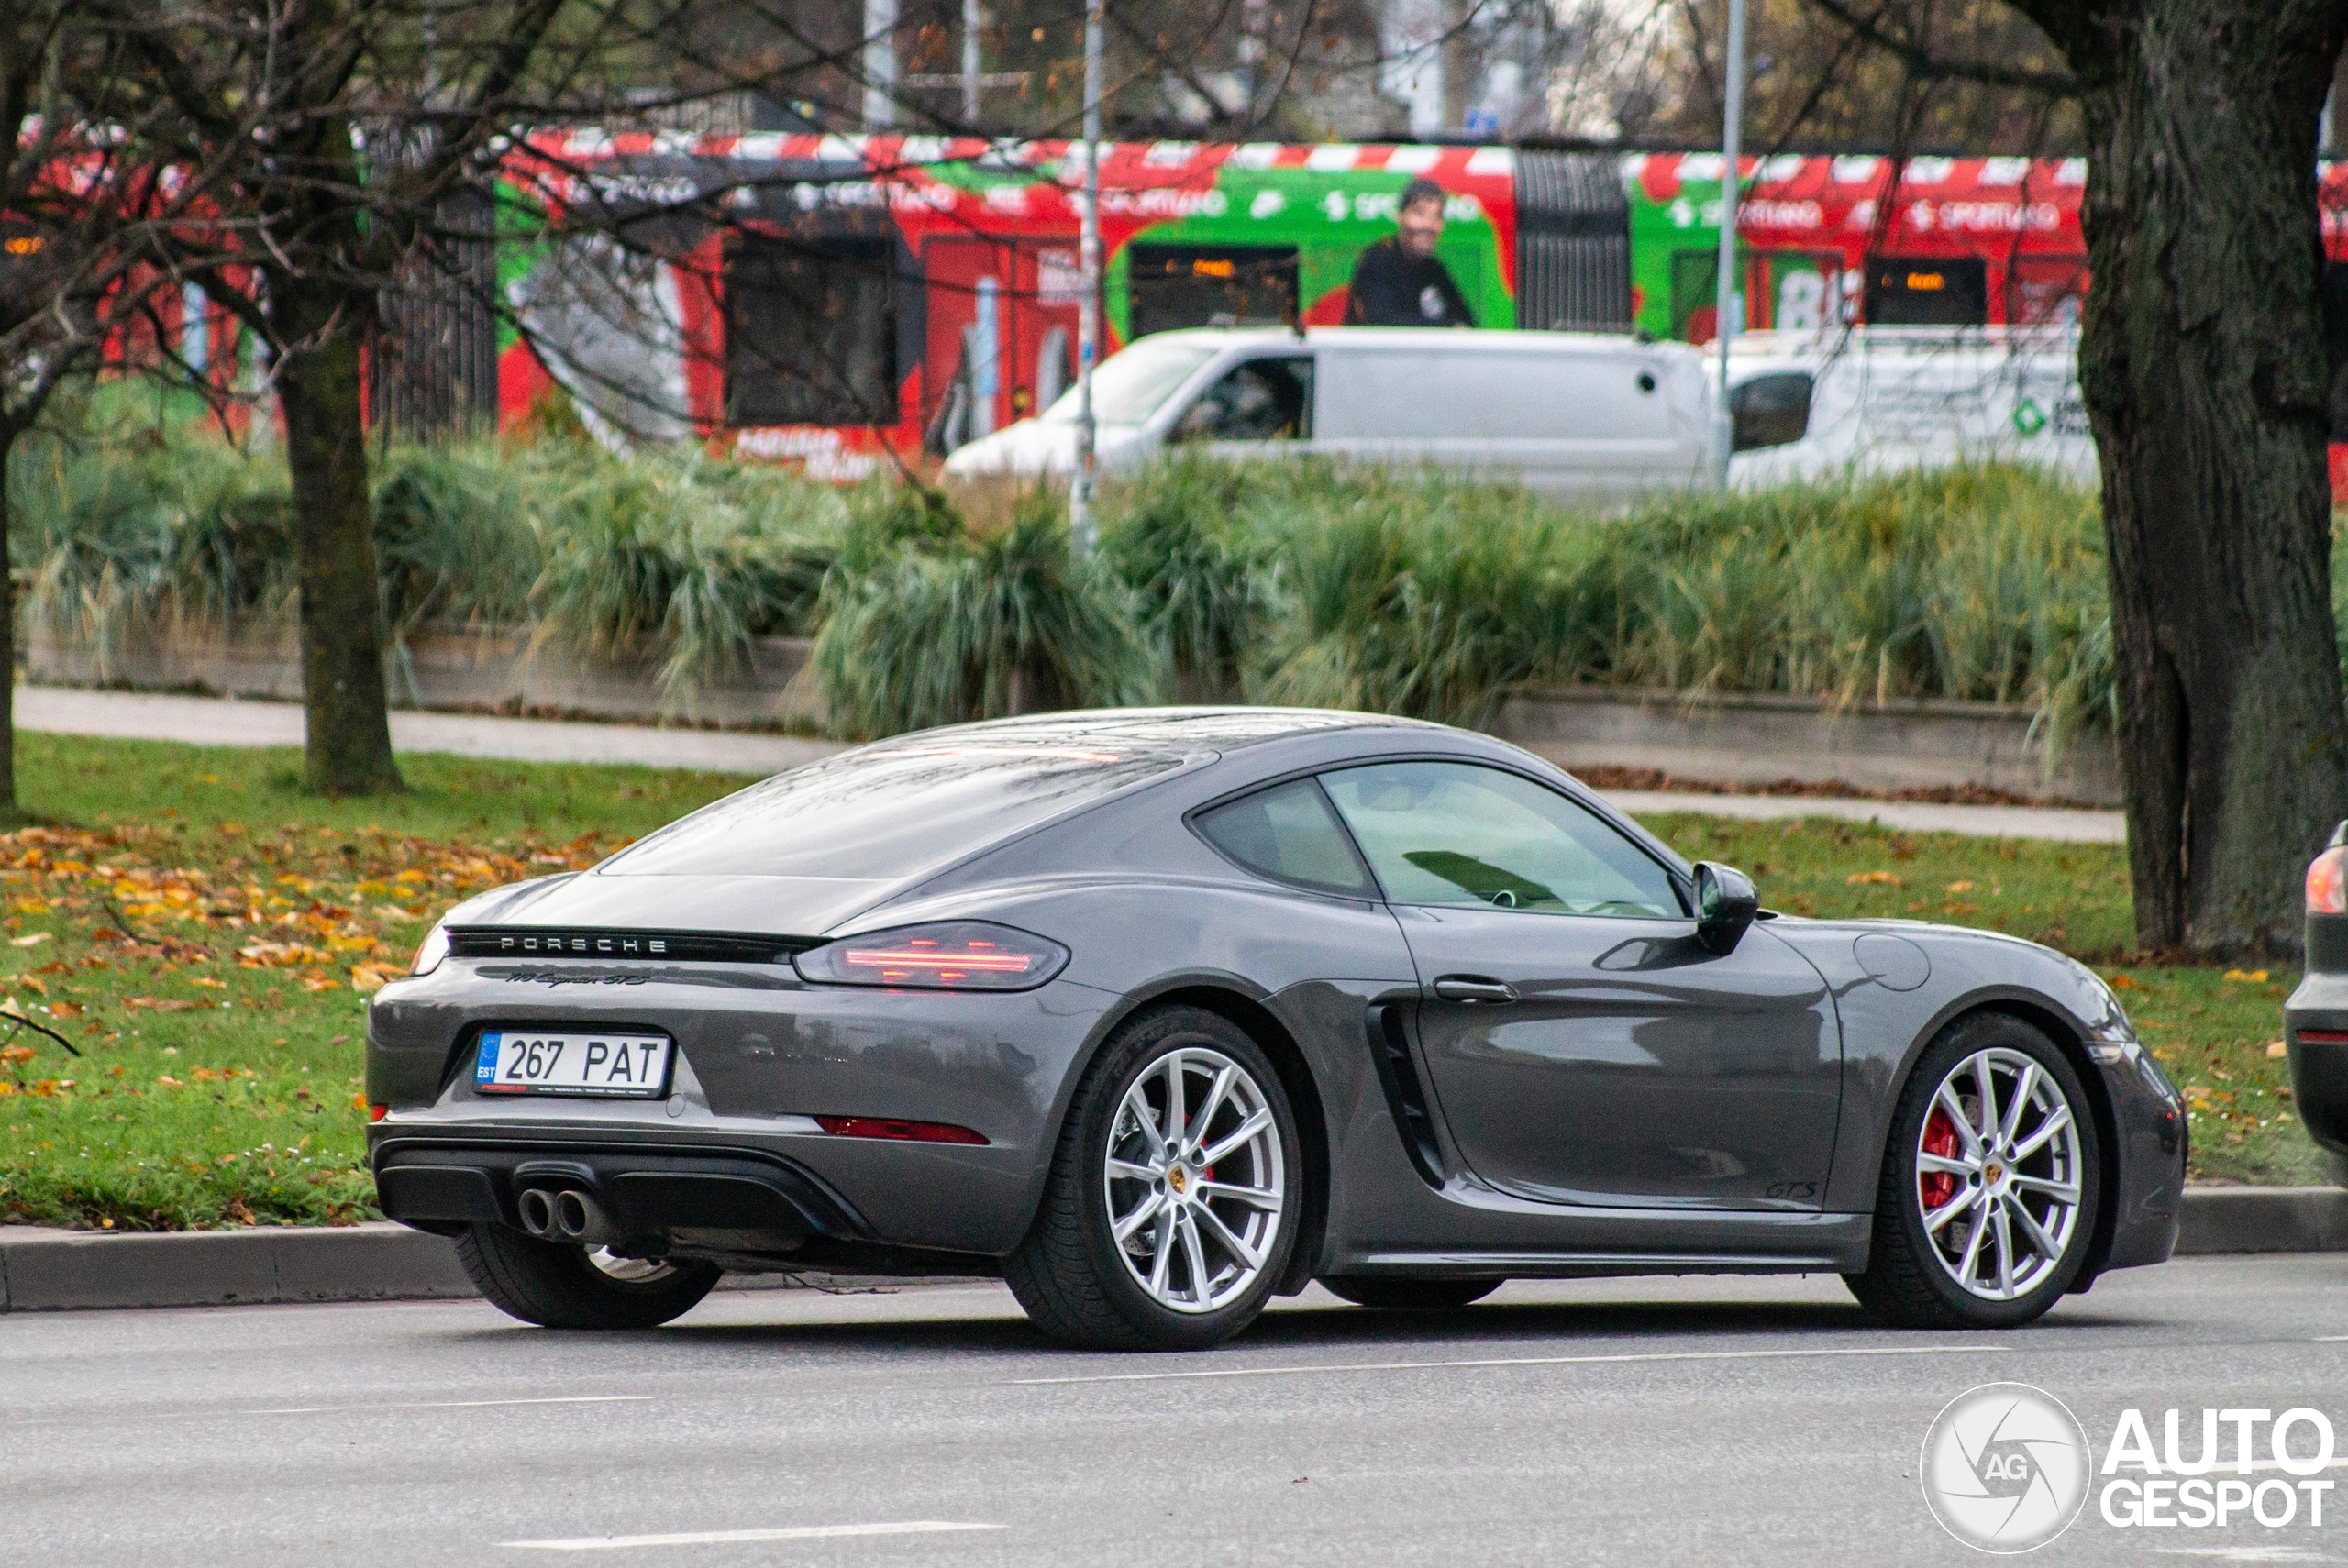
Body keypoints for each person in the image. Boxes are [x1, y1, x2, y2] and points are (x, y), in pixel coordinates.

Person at [1345, 177, 1475, 328]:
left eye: (1436, 216)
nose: (1428, 225)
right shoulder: (1377, 260)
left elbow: (1466, 322)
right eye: (1419, 214)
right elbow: (1383, 322)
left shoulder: (1434, 269)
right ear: (1400, 216)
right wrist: (1445, 327)